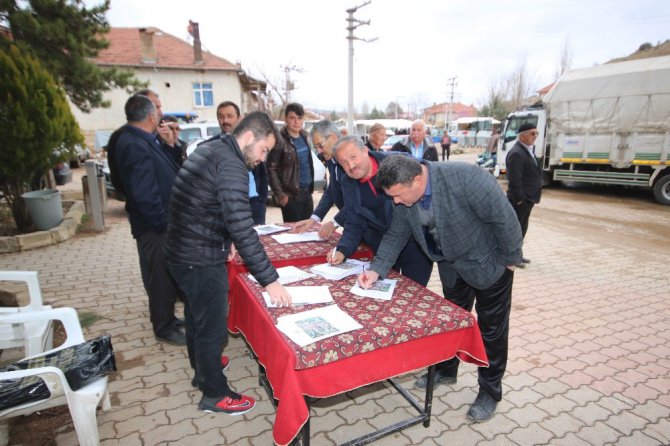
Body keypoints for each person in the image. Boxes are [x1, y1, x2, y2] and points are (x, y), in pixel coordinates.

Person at [356, 155, 523, 422]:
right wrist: (376, 270)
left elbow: (506, 220)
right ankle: (447, 369)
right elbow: (396, 233)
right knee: (451, 323)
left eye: (398, 196)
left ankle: (490, 391)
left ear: (418, 180)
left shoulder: (468, 179)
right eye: (392, 197)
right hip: (450, 267)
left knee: (492, 331)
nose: (396, 202)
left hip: (488, 264)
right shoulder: (404, 193)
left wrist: (510, 261)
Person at [165, 111, 292, 415]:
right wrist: (270, 280)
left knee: (197, 318)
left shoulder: (213, 148)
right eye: (263, 150)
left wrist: (228, 239)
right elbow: (242, 227)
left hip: (181, 252)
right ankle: (214, 393)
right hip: (199, 257)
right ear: (249, 137)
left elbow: (208, 203)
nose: (262, 159)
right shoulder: (233, 165)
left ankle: (202, 369)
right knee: (212, 329)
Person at [109, 94, 185, 346]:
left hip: (163, 223)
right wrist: (163, 223)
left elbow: (170, 169)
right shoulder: (132, 142)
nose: (161, 114)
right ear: (151, 115)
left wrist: (170, 144)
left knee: (166, 276)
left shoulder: (146, 139)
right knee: (160, 278)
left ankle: (170, 320)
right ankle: (163, 327)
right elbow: (143, 193)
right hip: (156, 227)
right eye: (159, 110)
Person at [330, 136, 433, 286]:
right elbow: (354, 221)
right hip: (383, 246)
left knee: (414, 292)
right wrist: (343, 250)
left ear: (365, 151)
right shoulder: (348, 182)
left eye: (353, 157)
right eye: (344, 162)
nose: (350, 165)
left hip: (415, 244)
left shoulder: (397, 162)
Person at [201, 101, 269, 225]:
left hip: (254, 204)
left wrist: (261, 200)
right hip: (227, 209)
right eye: (221, 116)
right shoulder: (208, 147)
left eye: (229, 116)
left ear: (240, 119)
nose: (225, 120)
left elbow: (262, 173)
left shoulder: (253, 143)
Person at [291, 120, 345, 238]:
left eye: (320, 145)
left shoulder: (351, 161)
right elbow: (332, 190)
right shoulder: (332, 158)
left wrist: (335, 223)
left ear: (333, 137)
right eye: (316, 147)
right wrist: (313, 218)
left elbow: (359, 201)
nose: (319, 151)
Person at [267, 103, 315, 222]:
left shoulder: (305, 136)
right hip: (291, 197)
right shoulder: (279, 140)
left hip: (307, 193)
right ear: (285, 119)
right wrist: (281, 195)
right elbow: (270, 168)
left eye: (299, 118)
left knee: (308, 232)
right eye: (292, 118)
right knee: (294, 235)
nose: (296, 122)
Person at [506, 122, 542, 268]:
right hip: (520, 200)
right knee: (516, 230)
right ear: (523, 135)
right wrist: (520, 199)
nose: (535, 136)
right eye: (532, 133)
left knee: (522, 228)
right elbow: (514, 179)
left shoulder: (527, 150)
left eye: (536, 133)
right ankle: (513, 258)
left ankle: (518, 255)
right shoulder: (516, 153)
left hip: (529, 198)